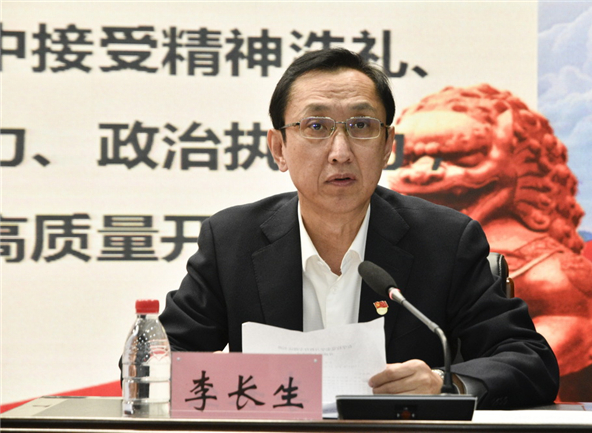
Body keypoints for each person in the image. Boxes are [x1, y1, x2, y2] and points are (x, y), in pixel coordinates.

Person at [159, 48, 559, 409]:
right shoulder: (232, 241)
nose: (340, 152)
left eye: (361, 125)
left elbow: (530, 360)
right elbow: (160, 358)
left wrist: (444, 383)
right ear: (279, 148)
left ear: (387, 146)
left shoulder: (445, 241)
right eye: (316, 127)